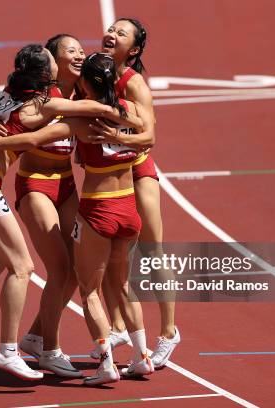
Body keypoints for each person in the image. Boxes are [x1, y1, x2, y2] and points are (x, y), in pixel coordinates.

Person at [0, 44, 139, 380]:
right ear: (46, 71)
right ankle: (8, 350)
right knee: (22, 267)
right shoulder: (44, 105)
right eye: (61, 54)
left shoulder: (11, 91)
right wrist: (122, 112)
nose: (76, 56)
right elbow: (90, 107)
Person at [0, 34, 87, 378]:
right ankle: (50, 350)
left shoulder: (83, 91)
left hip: (67, 184)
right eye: (72, 52)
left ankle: (36, 336)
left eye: (82, 50)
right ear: (53, 61)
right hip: (36, 184)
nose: (80, 56)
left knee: (77, 269)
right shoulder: (38, 94)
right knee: (60, 268)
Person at [89, 18, 181, 369]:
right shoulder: (95, 75)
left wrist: (116, 139)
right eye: (111, 29)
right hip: (107, 175)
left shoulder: (134, 83)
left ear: (135, 49)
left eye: (121, 33)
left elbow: (149, 136)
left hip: (137, 168)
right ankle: (116, 326)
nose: (111, 34)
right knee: (115, 255)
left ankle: (169, 332)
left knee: (152, 249)